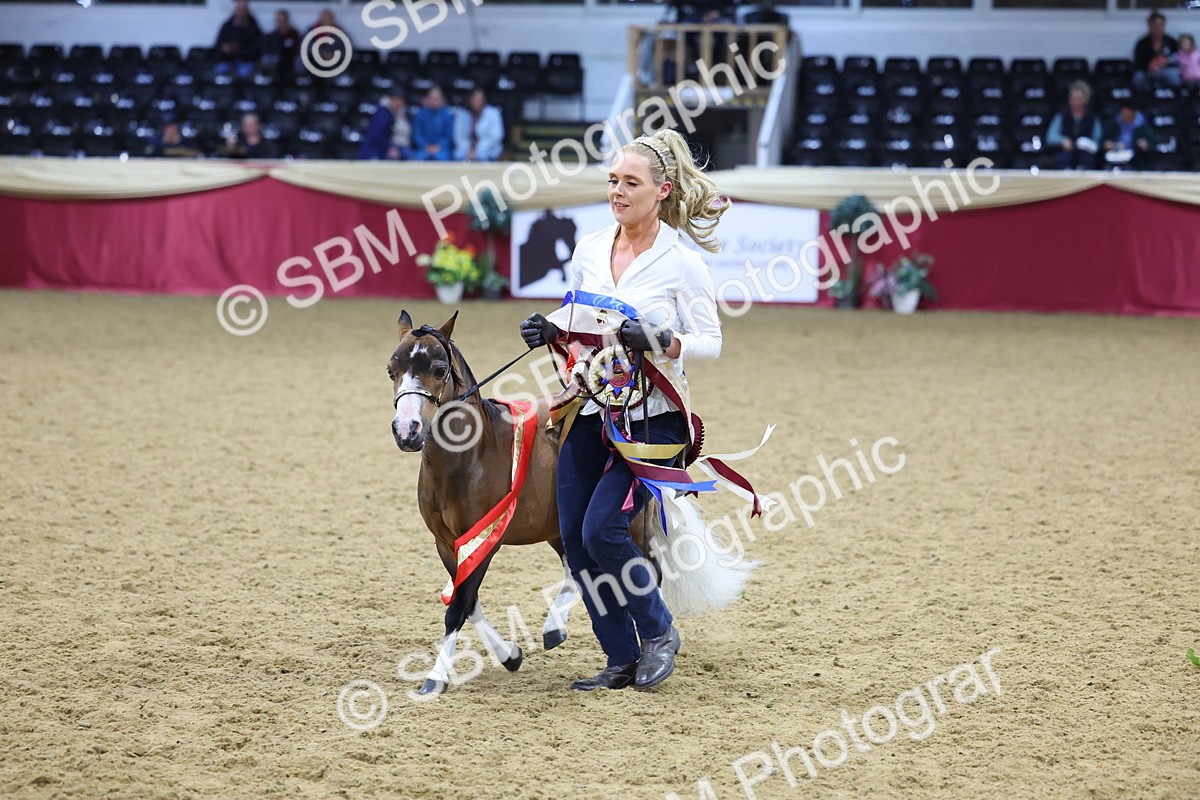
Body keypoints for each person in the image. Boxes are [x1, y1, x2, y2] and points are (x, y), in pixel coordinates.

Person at [518, 130, 728, 692]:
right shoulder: (590, 249)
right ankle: (620, 658)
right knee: (574, 536)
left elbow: (711, 340)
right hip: (590, 408)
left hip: (653, 420)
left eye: (629, 182)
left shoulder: (682, 263)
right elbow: (580, 323)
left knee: (603, 528)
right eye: (612, 181)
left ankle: (659, 632)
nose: (617, 191)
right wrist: (550, 329)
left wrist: (663, 338)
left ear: (660, 191)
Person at [1046, 81, 1102, 170]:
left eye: (1077, 98)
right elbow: (1050, 137)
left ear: (1085, 100)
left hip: (1085, 156)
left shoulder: (1092, 118)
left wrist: (1087, 144)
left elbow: (1097, 140)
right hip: (1065, 153)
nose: (1074, 101)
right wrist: (1063, 141)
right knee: (1061, 159)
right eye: (1072, 98)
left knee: (1088, 161)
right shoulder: (1062, 115)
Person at [215, 0, 262, 79]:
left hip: (246, 61)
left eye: (242, 10)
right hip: (228, 61)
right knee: (220, 70)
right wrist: (224, 49)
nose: (240, 13)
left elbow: (256, 50)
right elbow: (217, 45)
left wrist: (238, 49)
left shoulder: (254, 29)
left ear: (247, 11)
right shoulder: (227, 26)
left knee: (243, 73)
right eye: (239, 10)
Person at [1133, 11, 1180, 91]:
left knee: (1175, 75)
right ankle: (1144, 100)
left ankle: (1176, 99)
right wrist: (1151, 66)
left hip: (1166, 71)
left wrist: (1164, 64)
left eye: (1161, 26)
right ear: (1149, 26)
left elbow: (1179, 60)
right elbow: (1138, 64)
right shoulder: (1142, 43)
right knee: (1138, 77)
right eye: (1155, 26)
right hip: (1148, 72)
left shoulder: (1171, 42)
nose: (1158, 29)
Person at [453, 88, 504, 162]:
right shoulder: (462, 114)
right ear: (470, 100)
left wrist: (477, 150)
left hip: (488, 149)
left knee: (482, 156)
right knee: (458, 155)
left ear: (484, 100)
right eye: (475, 99)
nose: (477, 102)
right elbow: (458, 136)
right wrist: (468, 150)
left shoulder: (493, 113)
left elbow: (496, 136)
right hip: (466, 150)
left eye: (479, 99)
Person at [1103, 102, 1155, 170]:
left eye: (1128, 115)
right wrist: (1107, 144)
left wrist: (1146, 144)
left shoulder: (1142, 125)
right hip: (1114, 158)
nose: (1125, 117)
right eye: (1123, 114)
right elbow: (1103, 141)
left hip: (1134, 161)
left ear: (1134, 114)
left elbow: (1153, 142)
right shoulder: (1113, 123)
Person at [358, 91, 409, 160]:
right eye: (399, 100)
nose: (401, 104)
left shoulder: (396, 113)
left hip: (383, 148)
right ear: (393, 99)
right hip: (374, 151)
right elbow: (376, 135)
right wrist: (389, 148)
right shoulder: (383, 113)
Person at [410, 86, 455, 162]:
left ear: (442, 100)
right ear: (427, 99)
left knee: (443, 157)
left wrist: (439, 146)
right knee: (419, 157)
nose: (434, 101)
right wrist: (425, 146)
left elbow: (449, 136)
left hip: (442, 149)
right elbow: (417, 134)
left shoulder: (448, 115)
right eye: (432, 98)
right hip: (423, 148)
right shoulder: (420, 114)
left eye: (437, 99)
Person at [262, 9, 300, 80]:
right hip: (275, 64)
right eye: (278, 20)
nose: (281, 23)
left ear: (287, 20)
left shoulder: (294, 35)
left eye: (283, 20)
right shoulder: (271, 36)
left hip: (290, 63)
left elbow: (297, 50)